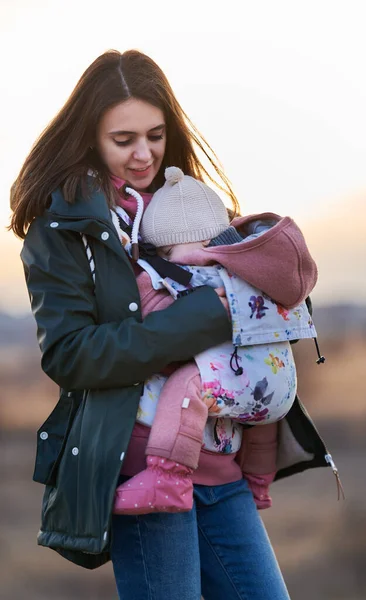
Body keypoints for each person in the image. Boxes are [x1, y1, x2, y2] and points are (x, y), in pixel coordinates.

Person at [10, 49, 337, 600]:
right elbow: (71, 355)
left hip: (222, 459)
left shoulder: (194, 208)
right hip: (141, 465)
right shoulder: (62, 229)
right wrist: (207, 317)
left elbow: (261, 293)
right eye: (124, 140)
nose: (144, 154)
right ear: (90, 136)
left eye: (156, 135)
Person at [112, 166, 319, 516]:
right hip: (281, 387)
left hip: (213, 392)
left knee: (186, 385)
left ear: (163, 246)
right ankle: (258, 482)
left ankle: (167, 478)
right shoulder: (250, 266)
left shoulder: (161, 275)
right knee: (258, 416)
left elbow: (153, 334)